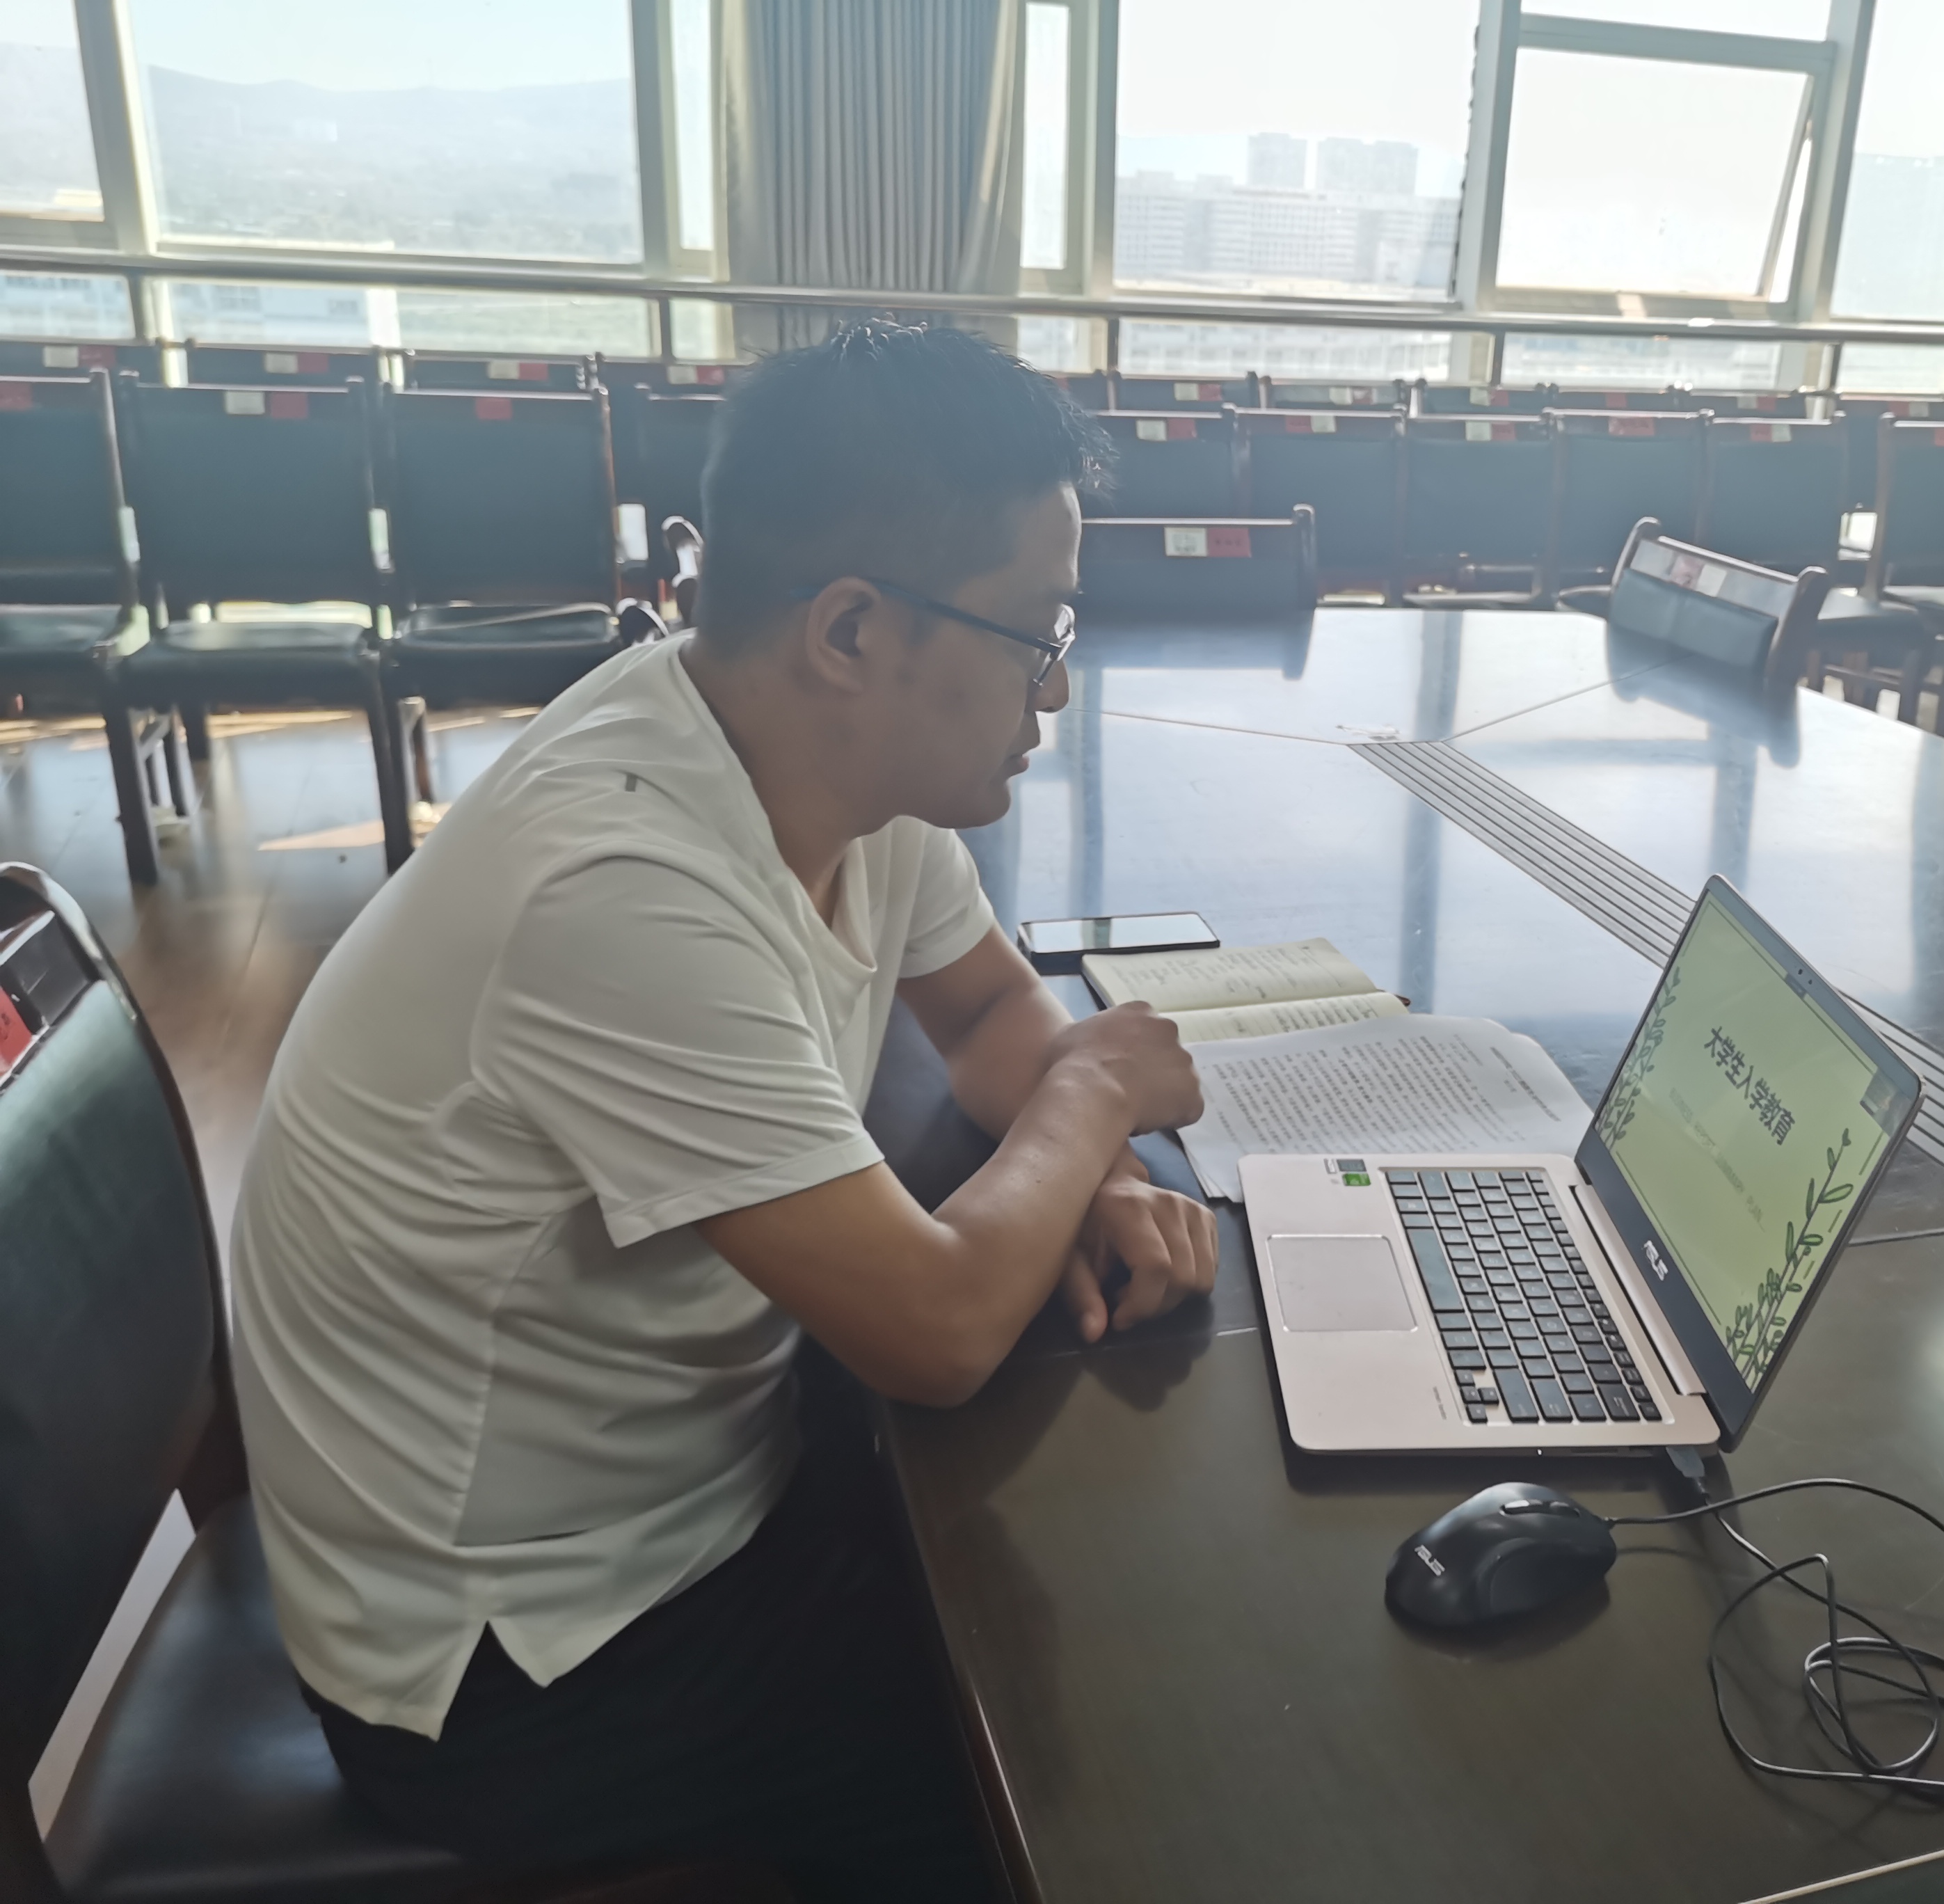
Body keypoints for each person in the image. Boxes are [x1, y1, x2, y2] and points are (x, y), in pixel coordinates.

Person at [227, 322, 1214, 1897]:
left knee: (1086, 1596)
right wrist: (1091, 1096)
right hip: (515, 1663)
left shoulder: (814, 756)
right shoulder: (619, 883)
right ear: (851, 630)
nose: (1056, 684)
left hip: (676, 1487)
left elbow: (985, 1015)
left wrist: (1079, 1157)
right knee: (1109, 1734)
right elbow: (938, 1330)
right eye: (1034, 635)